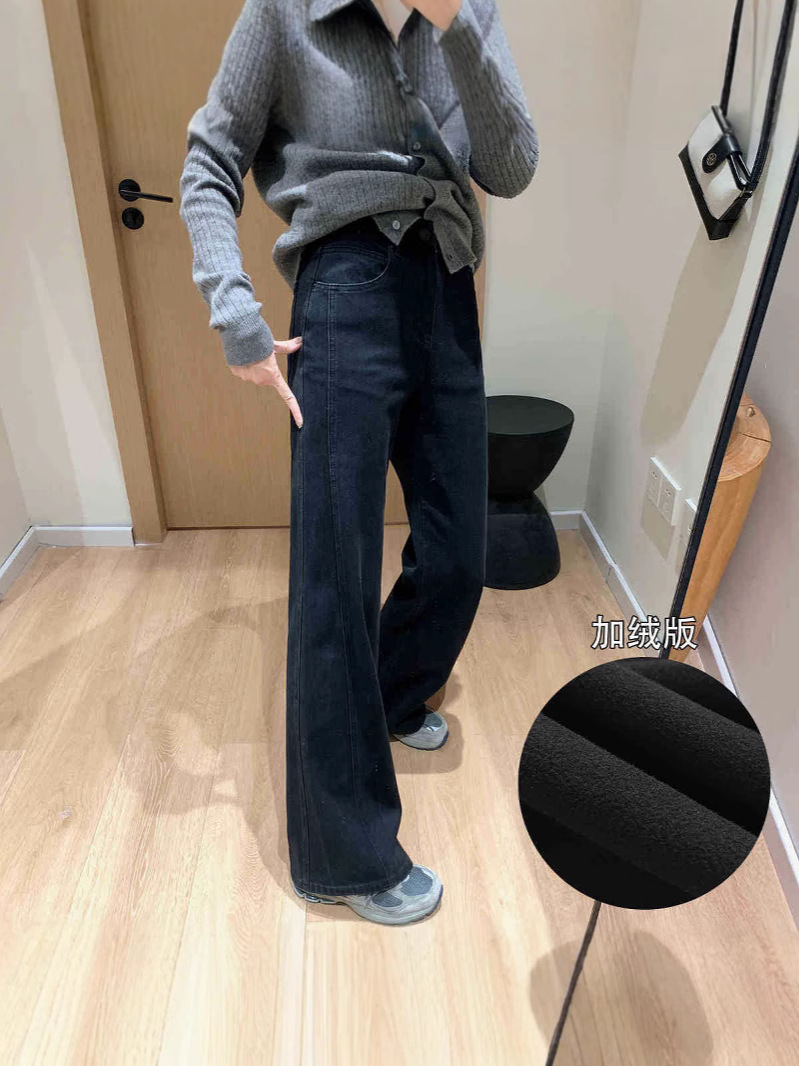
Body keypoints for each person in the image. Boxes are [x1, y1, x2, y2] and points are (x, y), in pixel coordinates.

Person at [179, 0, 538, 926]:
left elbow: (511, 167)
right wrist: (235, 315)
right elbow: (209, 158)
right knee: (334, 572)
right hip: (343, 288)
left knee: (458, 552)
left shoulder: (469, 13)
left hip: (447, 286)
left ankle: (389, 694)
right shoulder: (287, 14)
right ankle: (341, 855)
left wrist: (458, 25)